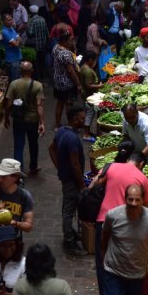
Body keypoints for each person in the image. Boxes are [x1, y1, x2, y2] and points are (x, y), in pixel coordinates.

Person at [90, 151, 148, 295]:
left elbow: (94, 183)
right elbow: (146, 206)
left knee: (102, 260)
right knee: (124, 259)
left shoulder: (112, 167)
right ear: (141, 164)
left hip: (103, 220)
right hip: (126, 226)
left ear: (128, 160)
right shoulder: (142, 178)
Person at [49, 106, 87, 256]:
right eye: (82, 119)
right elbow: (75, 164)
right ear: (75, 119)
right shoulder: (71, 139)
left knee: (68, 206)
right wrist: (81, 184)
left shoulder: (62, 131)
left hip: (66, 177)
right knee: (69, 210)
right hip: (71, 180)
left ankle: (71, 233)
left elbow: (51, 149)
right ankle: (69, 242)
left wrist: (59, 167)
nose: (84, 121)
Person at [3, 61, 45, 176]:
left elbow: (9, 104)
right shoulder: (38, 85)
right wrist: (42, 122)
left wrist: (6, 118)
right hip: (33, 120)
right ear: (32, 71)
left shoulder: (14, 84)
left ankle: (18, 171)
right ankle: (33, 166)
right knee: (33, 144)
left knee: (18, 145)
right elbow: (39, 105)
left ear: (20, 71)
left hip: (18, 119)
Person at [0, 158, 35, 236]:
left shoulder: (25, 196)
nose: (0, 180)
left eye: (3, 176)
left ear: (15, 178)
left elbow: (28, 226)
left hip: (13, 239)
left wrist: (15, 223)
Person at [52, 30, 81, 129]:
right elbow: (71, 71)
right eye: (70, 40)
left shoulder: (56, 48)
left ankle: (57, 125)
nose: (72, 42)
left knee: (60, 102)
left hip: (58, 81)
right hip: (67, 83)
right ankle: (70, 125)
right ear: (64, 41)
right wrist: (78, 84)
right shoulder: (65, 53)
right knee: (69, 103)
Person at [79, 52, 103, 141]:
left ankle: (92, 131)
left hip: (87, 95)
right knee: (89, 113)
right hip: (90, 96)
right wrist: (99, 86)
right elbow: (88, 85)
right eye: (94, 60)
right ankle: (86, 134)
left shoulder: (83, 67)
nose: (94, 62)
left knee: (91, 112)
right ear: (89, 60)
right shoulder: (88, 71)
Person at [25, 6, 49, 78]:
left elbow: (30, 33)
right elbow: (47, 33)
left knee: (36, 63)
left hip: (35, 45)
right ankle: (43, 75)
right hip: (43, 45)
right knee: (42, 62)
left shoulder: (32, 21)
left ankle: (37, 77)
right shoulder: (43, 19)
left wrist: (27, 28)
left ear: (31, 13)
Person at [1, 13, 23, 82]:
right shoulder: (5, 32)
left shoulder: (11, 29)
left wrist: (17, 41)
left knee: (19, 79)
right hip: (12, 60)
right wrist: (17, 41)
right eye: (8, 20)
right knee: (15, 81)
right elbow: (16, 44)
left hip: (18, 57)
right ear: (3, 21)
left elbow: (20, 39)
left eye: (11, 19)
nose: (10, 21)